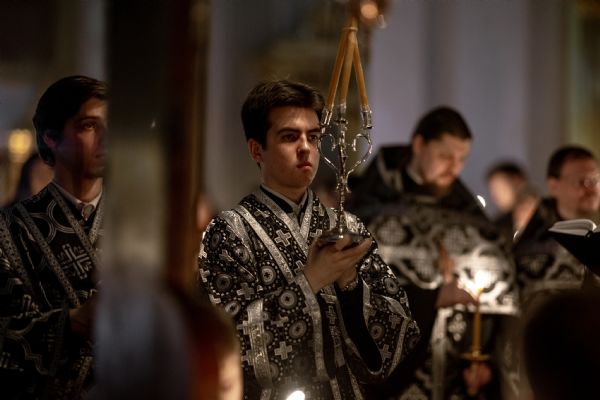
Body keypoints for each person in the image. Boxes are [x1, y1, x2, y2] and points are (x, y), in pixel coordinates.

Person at [197, 80, 419, 399]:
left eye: (313, 137)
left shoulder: (347, 225)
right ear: (257, 150)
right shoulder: (229, 231)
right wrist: (312, 279)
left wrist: (350, 284)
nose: (306, 148)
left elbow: (399, 335)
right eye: (289, 137)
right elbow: (228, 342)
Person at [348, 106, 519, 399]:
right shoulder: (369, 213)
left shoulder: (471, 220)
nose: (455, 168)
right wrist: (431, 298)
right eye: (445, 156)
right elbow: (351, 297)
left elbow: (502, 309)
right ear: (418, 145)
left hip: (453, 379)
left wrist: (486, 362)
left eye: (462, 159)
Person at [0, 75, 107, 399]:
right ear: (51, 137)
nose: (106, 137)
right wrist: (72, 322)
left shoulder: (139, 225)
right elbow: (7, 332)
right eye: (89, 126)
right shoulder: (9, 228)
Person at [513, 145, 600, 309]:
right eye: (582, 182)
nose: (592, 189)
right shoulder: (532, 246)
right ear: (554, 186)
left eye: (595, 180)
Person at [485, 161, 538, 241]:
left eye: (499, 188)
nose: (495, 197)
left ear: (517, 181)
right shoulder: (499, 226)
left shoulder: (544, 212)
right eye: (493, 191)